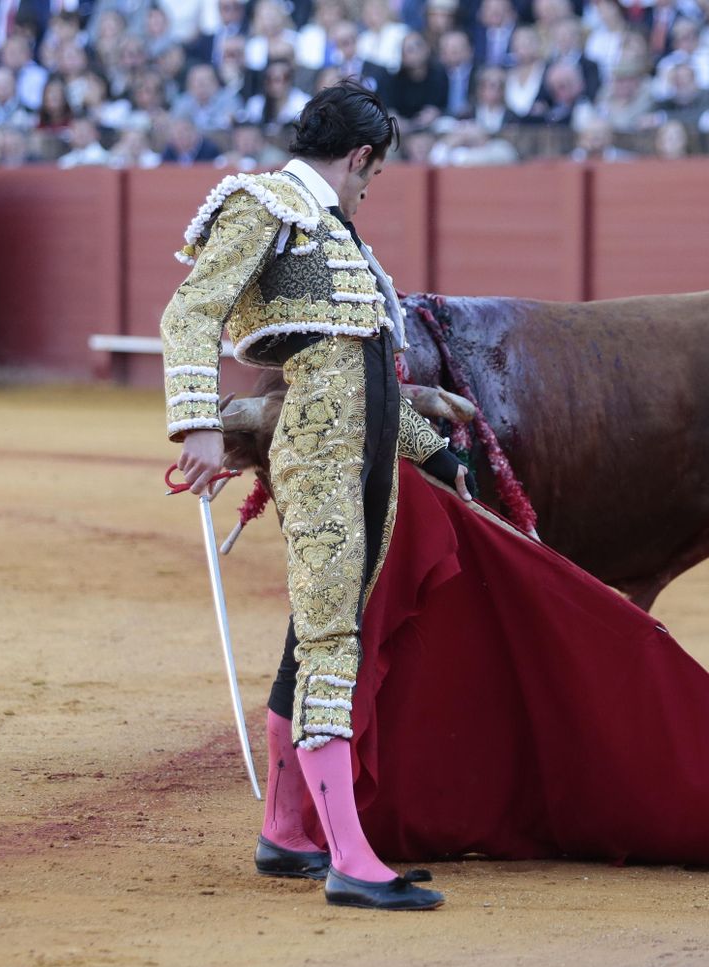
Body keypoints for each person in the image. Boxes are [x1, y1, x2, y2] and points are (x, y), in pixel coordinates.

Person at [160, 78, 469, 911]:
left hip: (361, 457)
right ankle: (351, 859)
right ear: (361, 156)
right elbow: (189, 313)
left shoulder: (333, 228)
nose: (371, 188)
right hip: (322, 460)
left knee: (314, 635)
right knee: (333, 641)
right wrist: (196, 424)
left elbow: (363, 370)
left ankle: (286, 831)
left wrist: (436, 454)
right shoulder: (264, 205)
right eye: (375, 173)